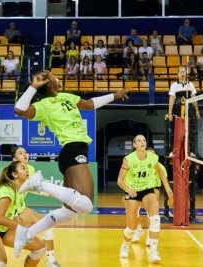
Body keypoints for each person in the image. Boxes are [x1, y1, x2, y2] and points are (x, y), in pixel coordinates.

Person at [12, 70, 128, 258]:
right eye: (53, 76)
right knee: (86, 204)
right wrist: (33, 87)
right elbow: (19, 110)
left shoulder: (67, 96)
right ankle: (39, 184)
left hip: (77, 151)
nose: (58, 77)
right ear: (48, 84)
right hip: (72, 150)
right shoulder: (43, 105)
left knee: (69, 212)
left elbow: (90, 104)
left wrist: (114, 95)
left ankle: (27, 233)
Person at [117, 135, 173, 263]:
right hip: (132, 191)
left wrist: (168, 188)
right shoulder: (129, 159)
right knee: (132, 226)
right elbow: (119, 180)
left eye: (144, 140)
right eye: (139, 140)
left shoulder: (153, 157)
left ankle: (153, 252)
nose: (142, 142)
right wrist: (127, 189)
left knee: (155, 218)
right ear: (134, 145)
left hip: (148, 189)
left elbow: (161, 173)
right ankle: (125, 245)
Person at [131, 147, 167, 246]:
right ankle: (138, 229)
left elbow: (164, 180)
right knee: (133, 211)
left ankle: (149, 236)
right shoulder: (140, 165)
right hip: (139, 188)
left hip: (154, 188)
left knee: (150, 213)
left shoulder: (160, 167)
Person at [167, 66, 200, 156]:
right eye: (181, 72)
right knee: (174, 131)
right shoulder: (174, 85)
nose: (182, 74)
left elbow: (194, 98)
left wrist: (197, 111)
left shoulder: (191, 85)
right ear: (178, 74)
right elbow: (171, 99)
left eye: (184, 72)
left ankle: (191, 151)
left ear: (186, 74)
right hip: (177, 112)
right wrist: (169, 112)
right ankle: (172, 151)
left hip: (189, 112)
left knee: (191, 131)